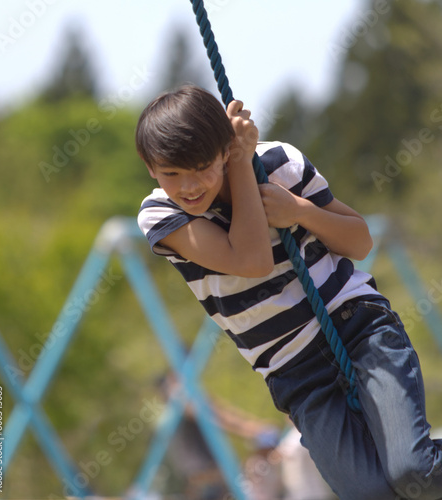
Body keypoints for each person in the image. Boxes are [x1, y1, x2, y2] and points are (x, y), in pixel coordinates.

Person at [136, 84, 442, 500]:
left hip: (355, 328)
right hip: (295, 372)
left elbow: (359, 242)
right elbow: (251, 259)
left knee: (411, 471)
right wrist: (241, 165)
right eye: (172, 173)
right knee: (370, 492)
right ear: (151, 167)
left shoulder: (280, 163)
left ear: (224, 149)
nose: (189, 186)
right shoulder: (160, 214)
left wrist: (300, 211)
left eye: (202, 167)